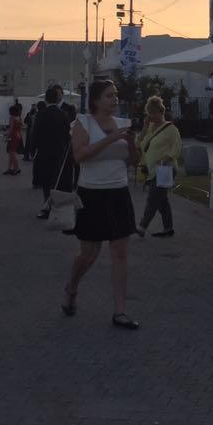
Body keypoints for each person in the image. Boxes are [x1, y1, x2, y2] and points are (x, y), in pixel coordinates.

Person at [61, 79, 140, 329]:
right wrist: (111, 138)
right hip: (92, 193)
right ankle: (72, 286)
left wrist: (130, 143)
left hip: (118, 192)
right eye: (108, 96)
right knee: (89, 254)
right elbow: (79, 156)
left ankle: (120, 311)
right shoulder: (83, 123)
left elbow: (132, 162)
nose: (114, 99)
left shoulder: (123, 124)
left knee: (120, 251)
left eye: (115, 95)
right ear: (95, 100)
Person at [137, 95, 181, 238]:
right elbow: (139, 143)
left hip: (165, 169)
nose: (152, 115)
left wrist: (166, 157)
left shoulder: (171, 129)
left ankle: (142, 226)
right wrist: (144, 128)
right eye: (150, 113)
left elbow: (176, 148)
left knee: (153, 198)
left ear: (162, 112)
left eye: (155, 112)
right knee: (161, 200)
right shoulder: (150, 128)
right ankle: (168, 228)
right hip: (152, 170)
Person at [33, 86, 71, 218]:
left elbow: (35, 134)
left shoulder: (41, 114)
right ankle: (58, 207)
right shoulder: (64, 115)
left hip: (44, 152)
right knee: (58, 180)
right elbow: (67, 134)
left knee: (46, 181)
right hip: (60, 151)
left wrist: (35, 148)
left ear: (46, 99)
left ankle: (47, 205)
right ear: (57, 98)